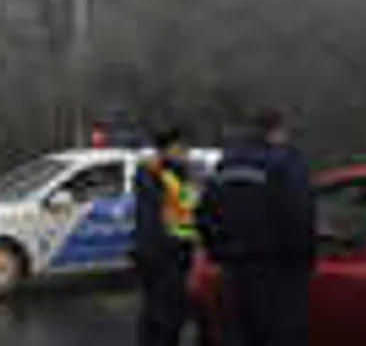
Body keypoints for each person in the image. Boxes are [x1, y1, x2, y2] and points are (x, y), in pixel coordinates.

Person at [196, 108, 315, 346]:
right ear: (277, 131)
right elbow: (299, 214)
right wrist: (304, 260)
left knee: (239, 335)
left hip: (234, 271)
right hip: (276, 271)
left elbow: (204, 214)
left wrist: (218, 252)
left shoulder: (226, 165)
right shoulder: (286, 162)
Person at [133, 125, 199, 346]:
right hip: (164, 256)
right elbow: (154, 220)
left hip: (179, 255)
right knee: (163, 318)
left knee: (169, 316)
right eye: (181, 149)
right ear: (166, 150)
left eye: (187, 149)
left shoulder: (182, 175)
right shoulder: (156, 175)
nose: (186, 153)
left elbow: (190, 211)